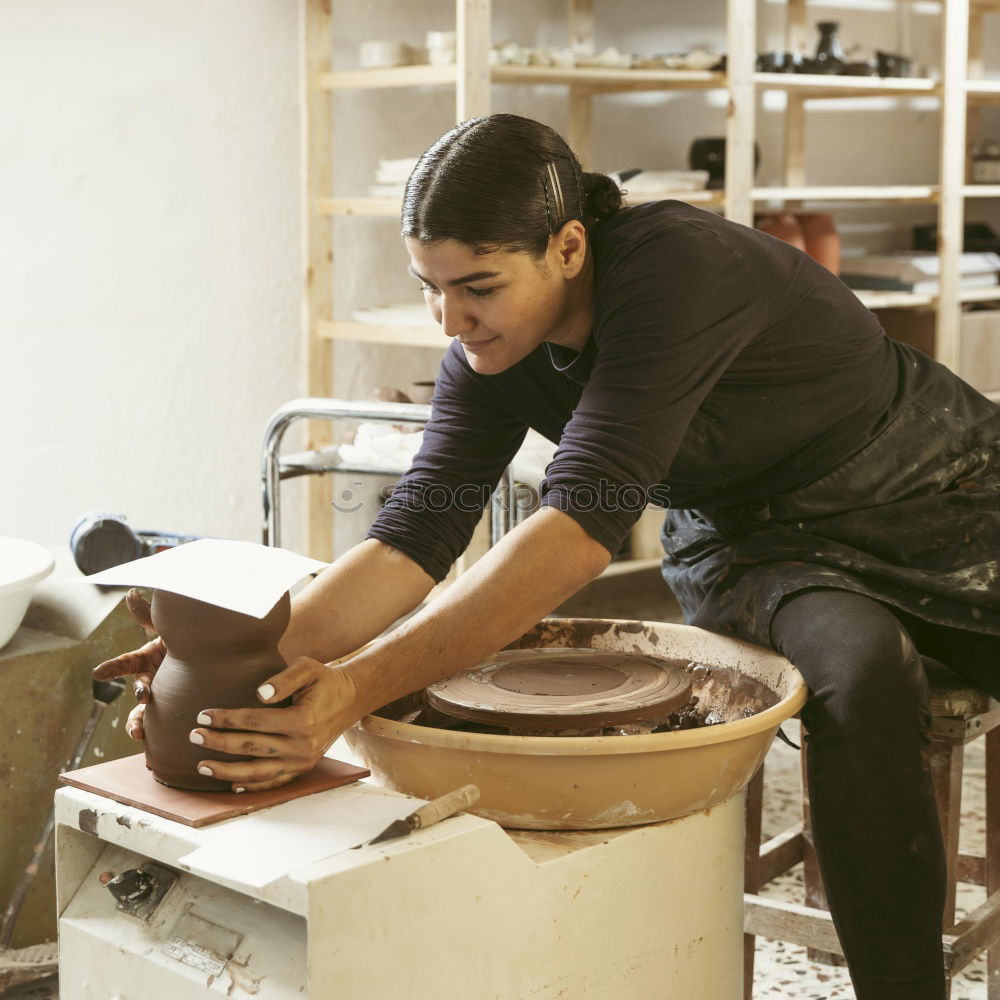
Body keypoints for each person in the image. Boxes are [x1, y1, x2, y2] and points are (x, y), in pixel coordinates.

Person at [95, 114, 1000, 999]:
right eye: (429, 286)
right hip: (754, 545)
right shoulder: (488, 357)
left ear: (569, 247)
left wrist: (356, 689)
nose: (451, 319)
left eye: (478, 286)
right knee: (864, 670)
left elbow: (577, 530)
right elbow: (414, 536)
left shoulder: (677, 269)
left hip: (938, 483)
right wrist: (252, 653)